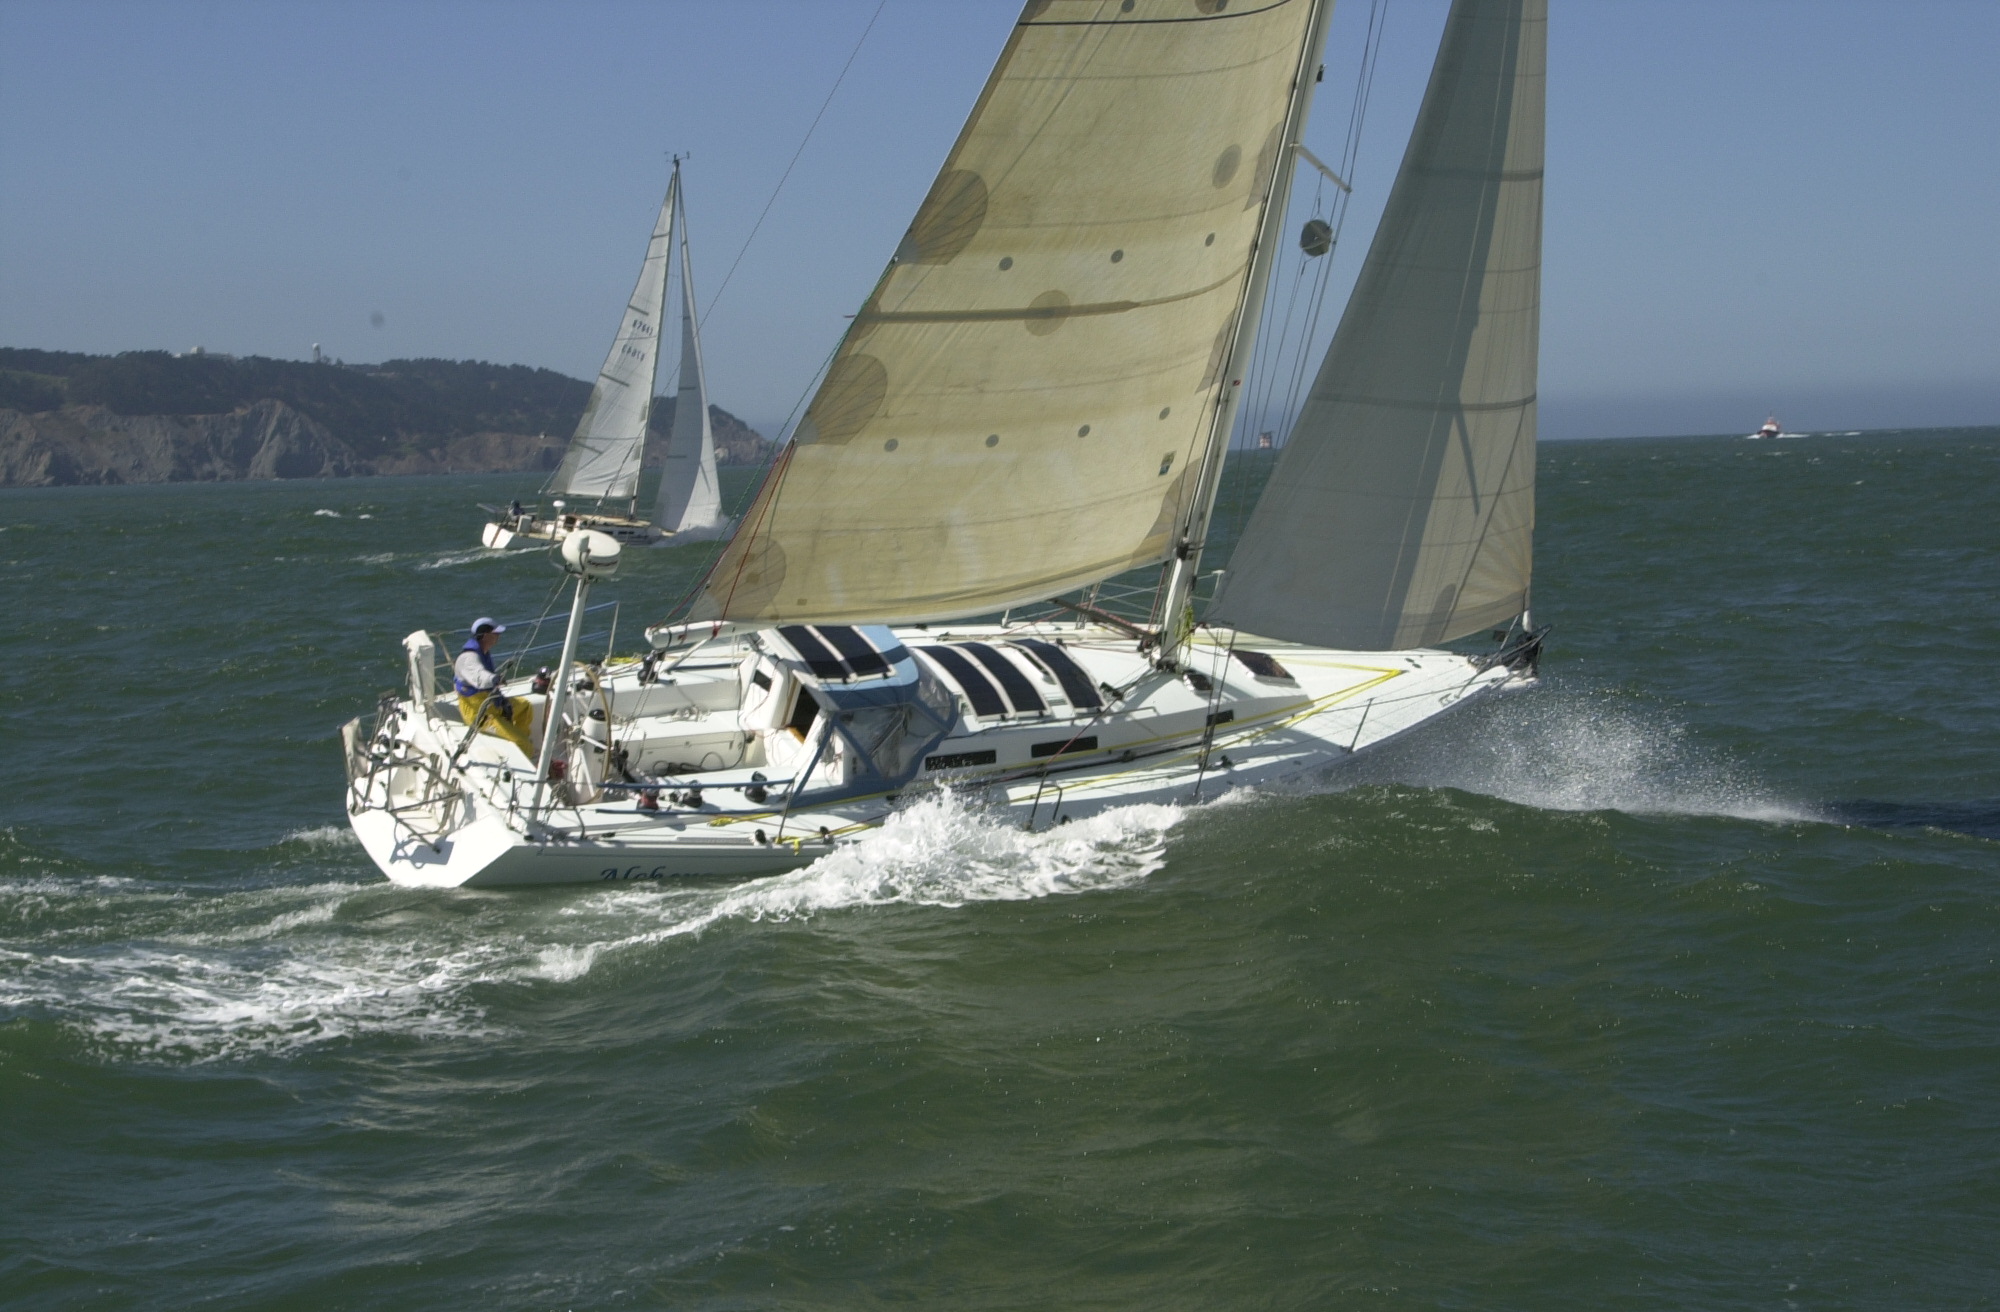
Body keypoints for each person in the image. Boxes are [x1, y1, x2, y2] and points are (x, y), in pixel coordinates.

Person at [454, 617, 535, 755]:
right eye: (495, 633)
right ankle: (523, 748)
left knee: (525, 707)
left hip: (492, 703)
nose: (498, 636)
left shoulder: (483, 652)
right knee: (523, 744)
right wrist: (494, 678)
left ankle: (519, 739)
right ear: (485, 635)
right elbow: (479, 676)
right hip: (479, 714)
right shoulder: (468, 658)